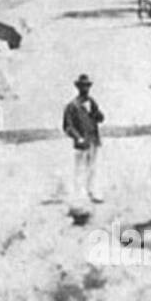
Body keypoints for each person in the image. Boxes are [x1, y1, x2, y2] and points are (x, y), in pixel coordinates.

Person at [63, 74, 105, 204]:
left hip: (93, 140)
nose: (85, 88)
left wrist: (95, 111)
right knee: (80, 169)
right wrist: (78, 138)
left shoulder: (92, 102)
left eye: (87, 86)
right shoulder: (72, 106)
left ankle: (92, 192)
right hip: (81, 142)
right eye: (83, 86)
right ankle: (80, 196)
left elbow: (101, 118)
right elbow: (67, 127)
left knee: (93, 168)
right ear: (78, 87)